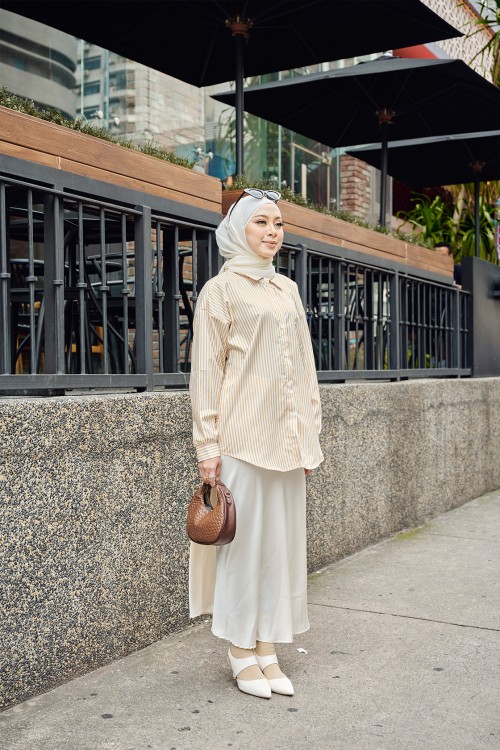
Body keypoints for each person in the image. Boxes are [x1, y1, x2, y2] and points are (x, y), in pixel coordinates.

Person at [189, 188, 324, 700]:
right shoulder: (219, 292)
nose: (272, 232)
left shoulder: (286, 289)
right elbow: (206, 374)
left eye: (279, 223)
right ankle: (240, 652)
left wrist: (309, 436)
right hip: (242, 439)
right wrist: (208, 447)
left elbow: (305, 371)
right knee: (243, 550)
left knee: (279, 548)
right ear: (239, 229)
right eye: (261, 222)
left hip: (287, 443)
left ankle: (268, 644)